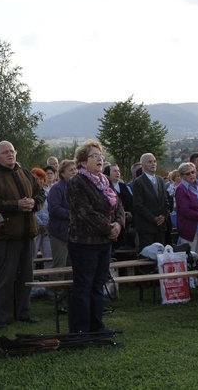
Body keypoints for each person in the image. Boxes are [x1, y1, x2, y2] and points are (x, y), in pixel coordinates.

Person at [0, 140, 44, 329]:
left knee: (26, 276)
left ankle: (23, 312)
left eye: (12, 151)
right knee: (4, 278)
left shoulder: (24, 173)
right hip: (6, 235)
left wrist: (34, 202)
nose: (10, 154)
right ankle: (2, 316)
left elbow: (40, 193)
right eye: (5, 152)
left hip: (27, 233)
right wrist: (16, 206)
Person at [66, 140, 124, 333]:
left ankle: (97, 326)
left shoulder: (105, 182)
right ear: (83, 162)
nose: (100, 159)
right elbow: (85, 212)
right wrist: (109, 228)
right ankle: (80, 329)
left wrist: (118, 224)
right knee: (83, 287)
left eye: (101, 156)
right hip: (84, 243)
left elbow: (119, 206)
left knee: (98, 285)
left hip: (104, 242)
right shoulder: (77, 182)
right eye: (94, 156)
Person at [131, 153, 171, 249]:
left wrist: (163, 217)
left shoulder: (160, 180)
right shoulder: (138, 182)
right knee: (148, 257)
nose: (153, 164)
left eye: (154, 161)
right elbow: (138, 205)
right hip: (147, 228)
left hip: (160, 228)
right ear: (143, 165)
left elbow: (166, 201)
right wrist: (154, 218)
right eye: (150, 162)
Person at [48, 160, 77, 271]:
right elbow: (54, 208)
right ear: (63, 173)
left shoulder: (77, 187)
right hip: (59, 232)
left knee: (72, 266)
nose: (74, 172)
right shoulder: (57, 188)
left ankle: (70, 288)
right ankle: (56, 288)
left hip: (74, 233)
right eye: (71, 170)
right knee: (60, 266)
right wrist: (72, 215)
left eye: (75, 169)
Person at [174, 162, 198, 257]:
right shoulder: (180, 189)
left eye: (193, 172)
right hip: (189, 227)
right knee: (190, 256)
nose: (192, 175)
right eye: (188, 173)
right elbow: (184, 210)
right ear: (181, 176)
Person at [104, 164, 134, 250]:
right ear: (108, 173)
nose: (117, 173)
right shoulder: (106, 189)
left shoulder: (124, 187)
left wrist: (129, 213)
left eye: (118, 171)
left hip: (128, 226)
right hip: (114, 224)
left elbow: (131, 202)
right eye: (114, 171)